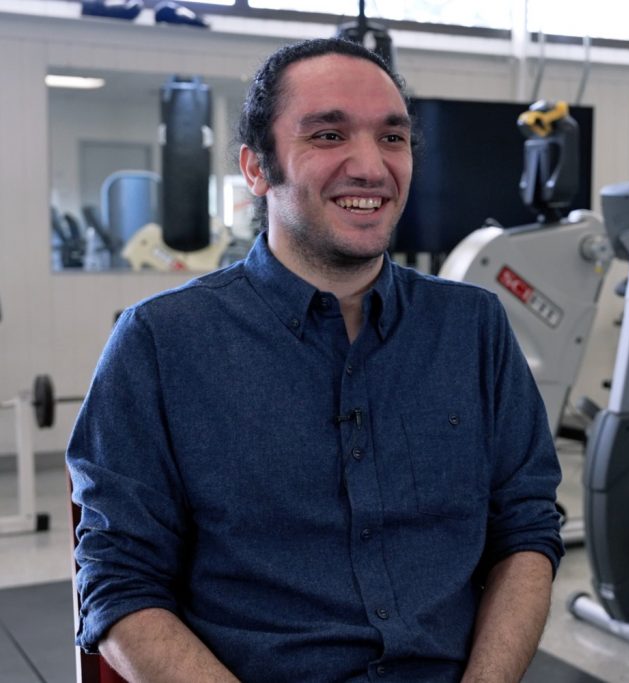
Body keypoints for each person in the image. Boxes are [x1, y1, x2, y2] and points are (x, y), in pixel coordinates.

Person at [67, 37, 564, 683]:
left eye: (393, 137)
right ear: (255, 168)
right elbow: (119, 581)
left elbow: (526, 529)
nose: (371, 166)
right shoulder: (161, 343)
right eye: (329, 135)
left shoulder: (473, 327)